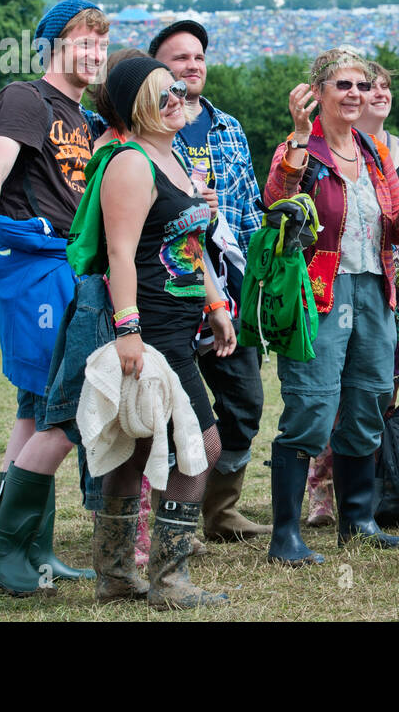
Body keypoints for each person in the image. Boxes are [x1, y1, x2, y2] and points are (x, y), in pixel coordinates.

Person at [0, 0, 106, 595]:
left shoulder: (83, 117)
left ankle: (35, 550)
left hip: (66, 262)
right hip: (36, 265)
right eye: (83, 42)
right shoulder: (27, 97)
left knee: (34, 407)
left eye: (101, 42)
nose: (95, 53)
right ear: (52, 46)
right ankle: (5, 553)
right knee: (66, 405)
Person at [263, 46, 399, 564]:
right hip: (319, 293)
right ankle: (286, 535)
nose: (356, 94)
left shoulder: (377, 152)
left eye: (362, 85)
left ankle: (357, 520)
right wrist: (295, 134)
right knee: (312, 404)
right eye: (344, 86)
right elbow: (276, 203)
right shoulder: (302, 150)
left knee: (370, 398)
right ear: (319, 94)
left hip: (374, 289)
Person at [84, 56, 235, 609]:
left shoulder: (172, 158)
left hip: (179, 325)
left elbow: (190, 243)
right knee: (200, 444)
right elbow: (120, 253)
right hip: (148, 330)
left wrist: (216, 301)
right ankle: (169, 581)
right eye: (162, 93)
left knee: (137, 445)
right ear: (134, 107)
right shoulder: (130, 163)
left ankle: (117, 576)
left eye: (177, 89)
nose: (177, 98)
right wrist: (128, 331)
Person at [304, 59, 399, 527]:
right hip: (329, 283)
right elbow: (284, 199)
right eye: (360, 87)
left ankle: (367, 501)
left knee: (376, 390)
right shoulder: (311, 147)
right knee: (325, 396)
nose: (374, 93)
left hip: (389, 280)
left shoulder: (395, 151)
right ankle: (318, 498)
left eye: (377, 86)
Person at [151, 20, 269, 543]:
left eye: (198, 56)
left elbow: (249, 211)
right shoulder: (145, 133)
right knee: (176, 416)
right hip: (170, 290)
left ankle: (220, 510)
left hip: (230, 289)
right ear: (158, 70)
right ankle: (173, 516)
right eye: (178, 58)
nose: (192, 65)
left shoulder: (229, 128)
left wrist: (252, 282)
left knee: (245, 403)